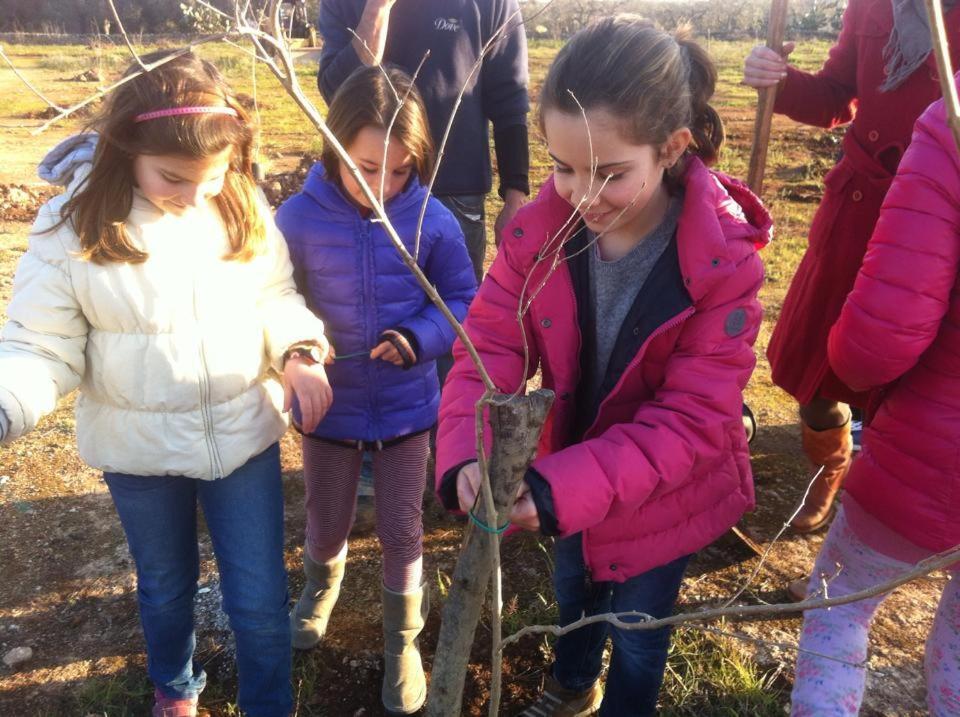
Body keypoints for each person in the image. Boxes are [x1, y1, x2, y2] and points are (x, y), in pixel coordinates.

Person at [436, 16, 770, 716]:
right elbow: (488, 345)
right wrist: (468, 451)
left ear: (671, 148)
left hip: (662, 497)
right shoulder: (541, 232)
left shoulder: (723, 267)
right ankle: (572, 685)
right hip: (569, 477)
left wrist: (559, 490)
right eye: (562, 166)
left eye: (611, 173)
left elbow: (691, 421)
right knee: (572, 596)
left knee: (640, 629)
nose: (581, 193)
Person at [0, 52, 332, 717]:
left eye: (208, 180)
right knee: (164, 583)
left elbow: (274, 294)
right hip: (140, 453)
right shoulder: (74, 228)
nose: (192, 197)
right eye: (173, 179)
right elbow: (39, 346)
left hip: (242, 436)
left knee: (260, 595)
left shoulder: (236, 202)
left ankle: (270, 703)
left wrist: (298, 350)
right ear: (126, 148)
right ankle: (176, 687)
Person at [276, 65, 476, 715]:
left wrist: (421, 336)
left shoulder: (433, 219)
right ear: (333, 145)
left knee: (402, 526)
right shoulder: (297, 219)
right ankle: (318, 590)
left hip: (407, 408)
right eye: (366, 168)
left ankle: (403, 643)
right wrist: (298, 354)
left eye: (398, 170)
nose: (383, 187)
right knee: (326, 514)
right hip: (327, 408)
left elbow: (463, 300)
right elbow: (273, 300)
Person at [742, 0, 960, 538]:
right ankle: (829, 467)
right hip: (859, 210)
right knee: (820, 366)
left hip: (939, 226)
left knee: (911, 388)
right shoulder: (872, 4)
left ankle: (870, 524)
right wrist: (780, 81)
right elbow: (839, 96)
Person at [790, 89, 960, 717]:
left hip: (926, 456)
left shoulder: (955, 117)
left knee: (839, 609)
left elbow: (877, 343)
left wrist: (839, 346)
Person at [317, 0, 530, 281]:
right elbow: (335, 91)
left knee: (456, 310)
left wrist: (515, 197)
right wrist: (376, 11)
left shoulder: (490, 3)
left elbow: (510, 102)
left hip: (454, 193)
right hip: (366, 189)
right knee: (364, 309)